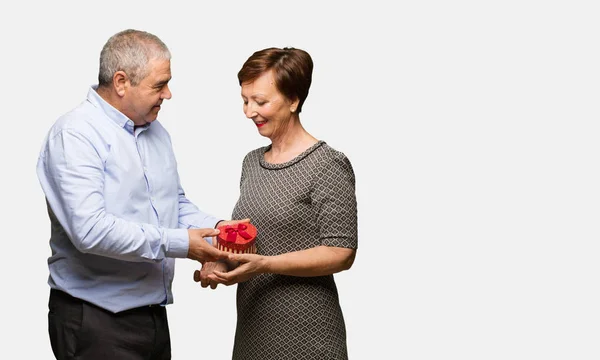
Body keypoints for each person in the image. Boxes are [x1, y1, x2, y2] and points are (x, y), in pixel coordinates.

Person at [36, 29, 241, 359]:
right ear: (121, 83)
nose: (169, 94)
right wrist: (184, 244)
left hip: (152, 316)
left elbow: (173, 204)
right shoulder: (75, 135)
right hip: (96, 322)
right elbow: (90, 231)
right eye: (160, 85)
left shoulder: (156, 131)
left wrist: (220, 232)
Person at [198, 47, 358, 359]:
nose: (248, 111)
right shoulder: (252, 163)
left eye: (260, 101)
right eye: (245, 100)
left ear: (294, 101)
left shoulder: (327, 164)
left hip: (309, 335)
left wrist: (266, 265)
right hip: (253, 330)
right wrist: (223, 262)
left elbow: (341, 252)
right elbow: (254, 242)